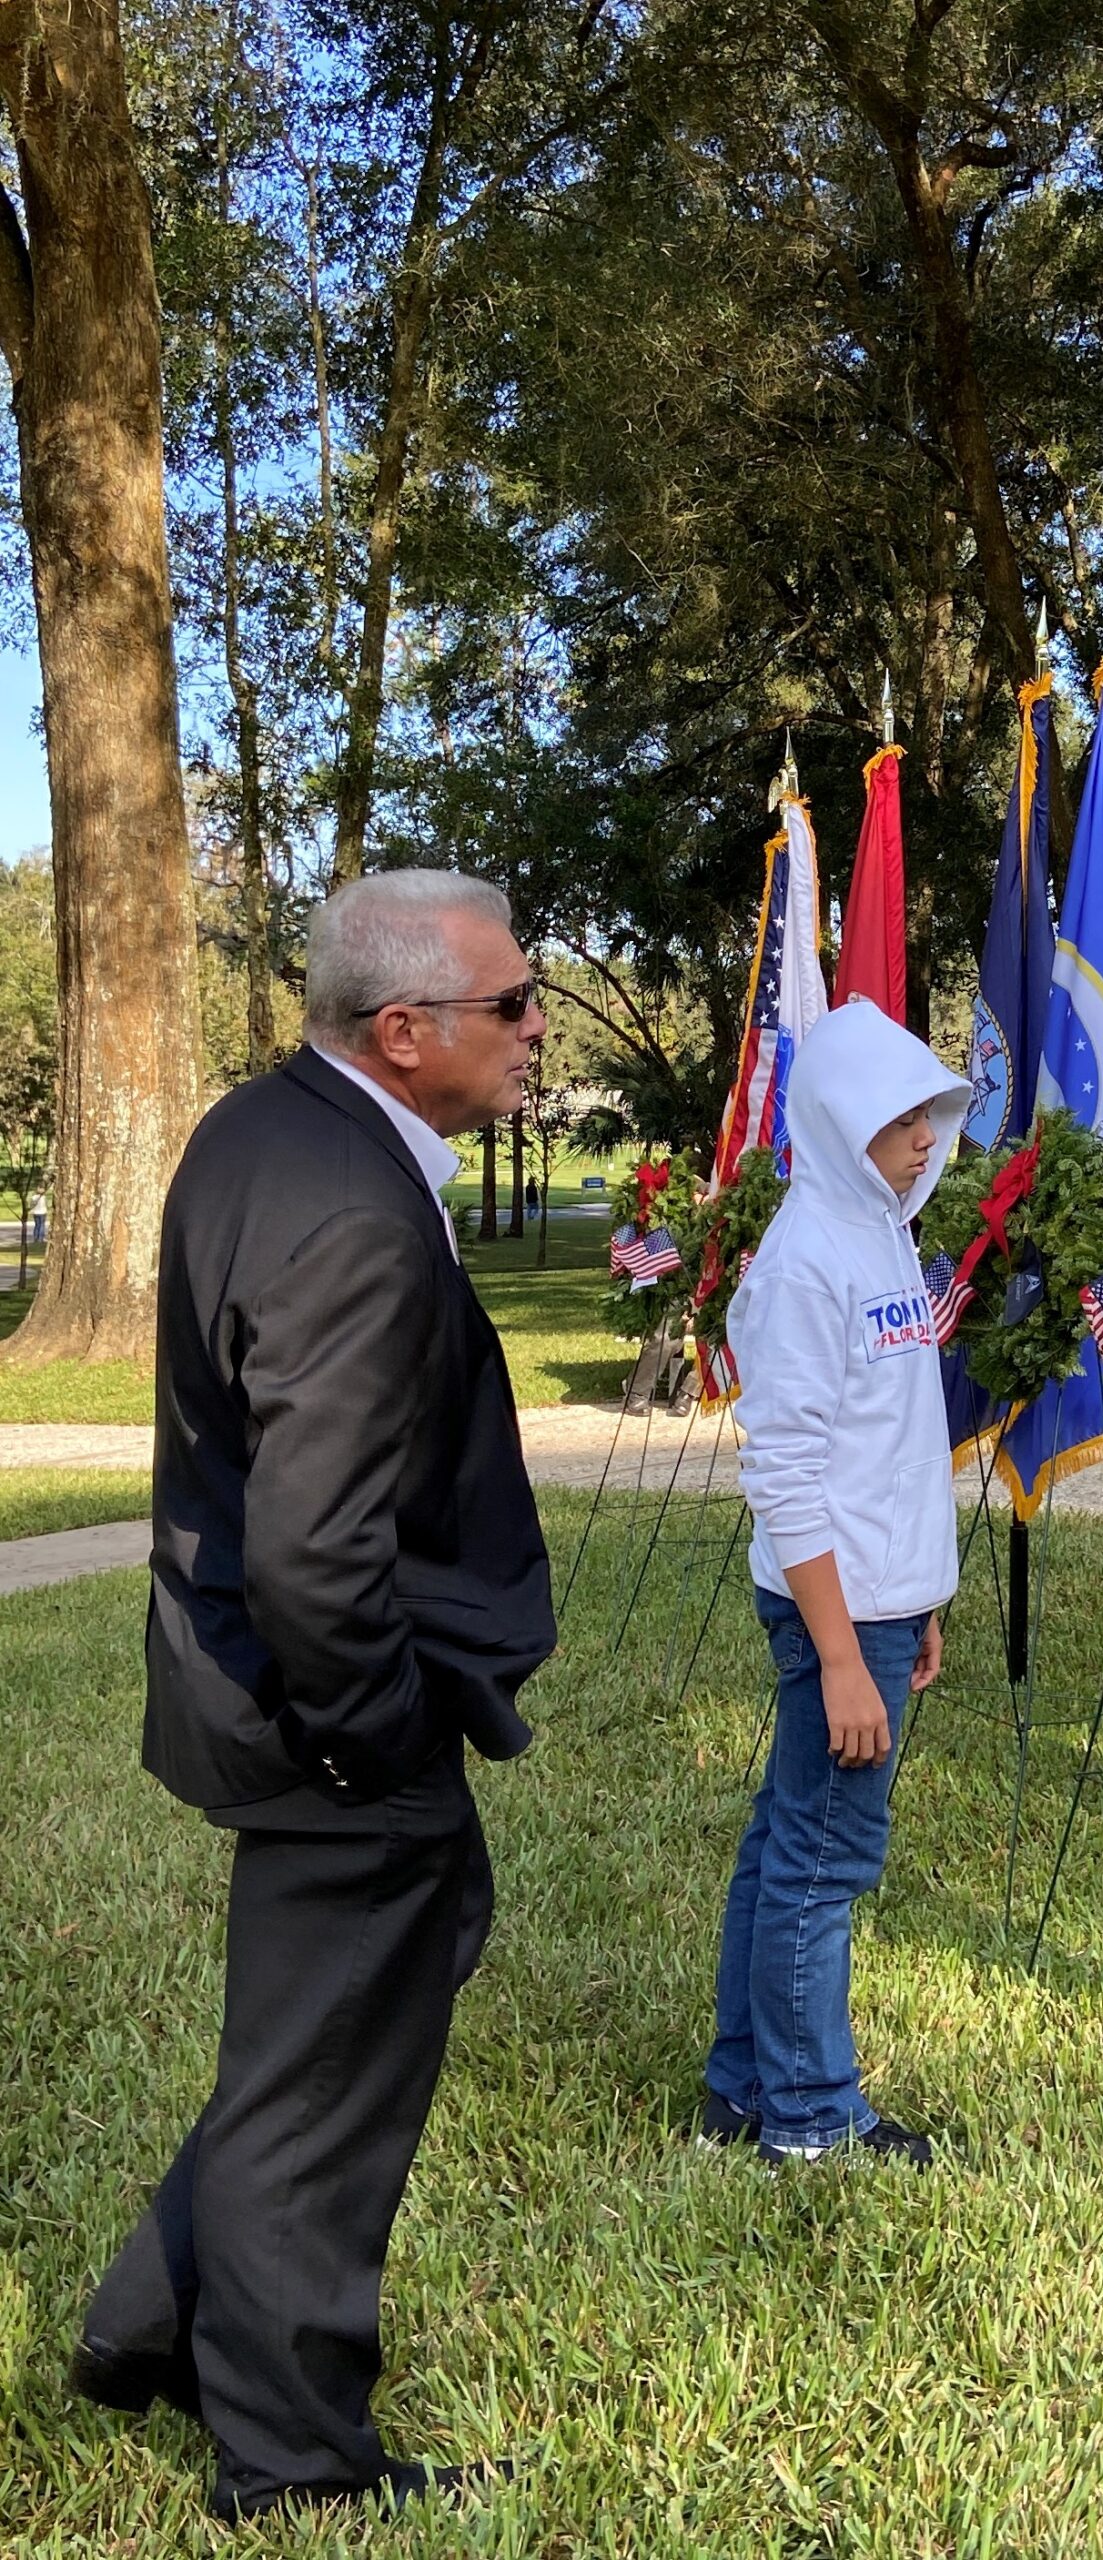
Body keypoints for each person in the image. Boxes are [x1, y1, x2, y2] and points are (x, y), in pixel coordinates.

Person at [70, 872, 556, 2523]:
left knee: (334, 2024)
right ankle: (288, 2469)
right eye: (515, 1004)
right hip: (325, 1722)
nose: (540, 1027)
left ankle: (145, 2328)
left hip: (274, 1700)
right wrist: (378, 1735)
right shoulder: (349, 1202)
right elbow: (313, 1545)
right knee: (321, 2087)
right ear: (404, 1032)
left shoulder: (266, 1127)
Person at [701, 1000, 967, 2169]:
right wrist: (848, 1652)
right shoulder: (806, 1264)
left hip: (879, 1598)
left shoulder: (883, 1234)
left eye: (928, 1116)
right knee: (823, 1860)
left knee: (784, 1840)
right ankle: (811, 2116)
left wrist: (922, 1600)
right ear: (841, 1117)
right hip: (836, 1610)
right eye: (901, 1117)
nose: (922, 1138)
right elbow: (789, 1473)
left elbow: (892, 1444)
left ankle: (743, 2084)